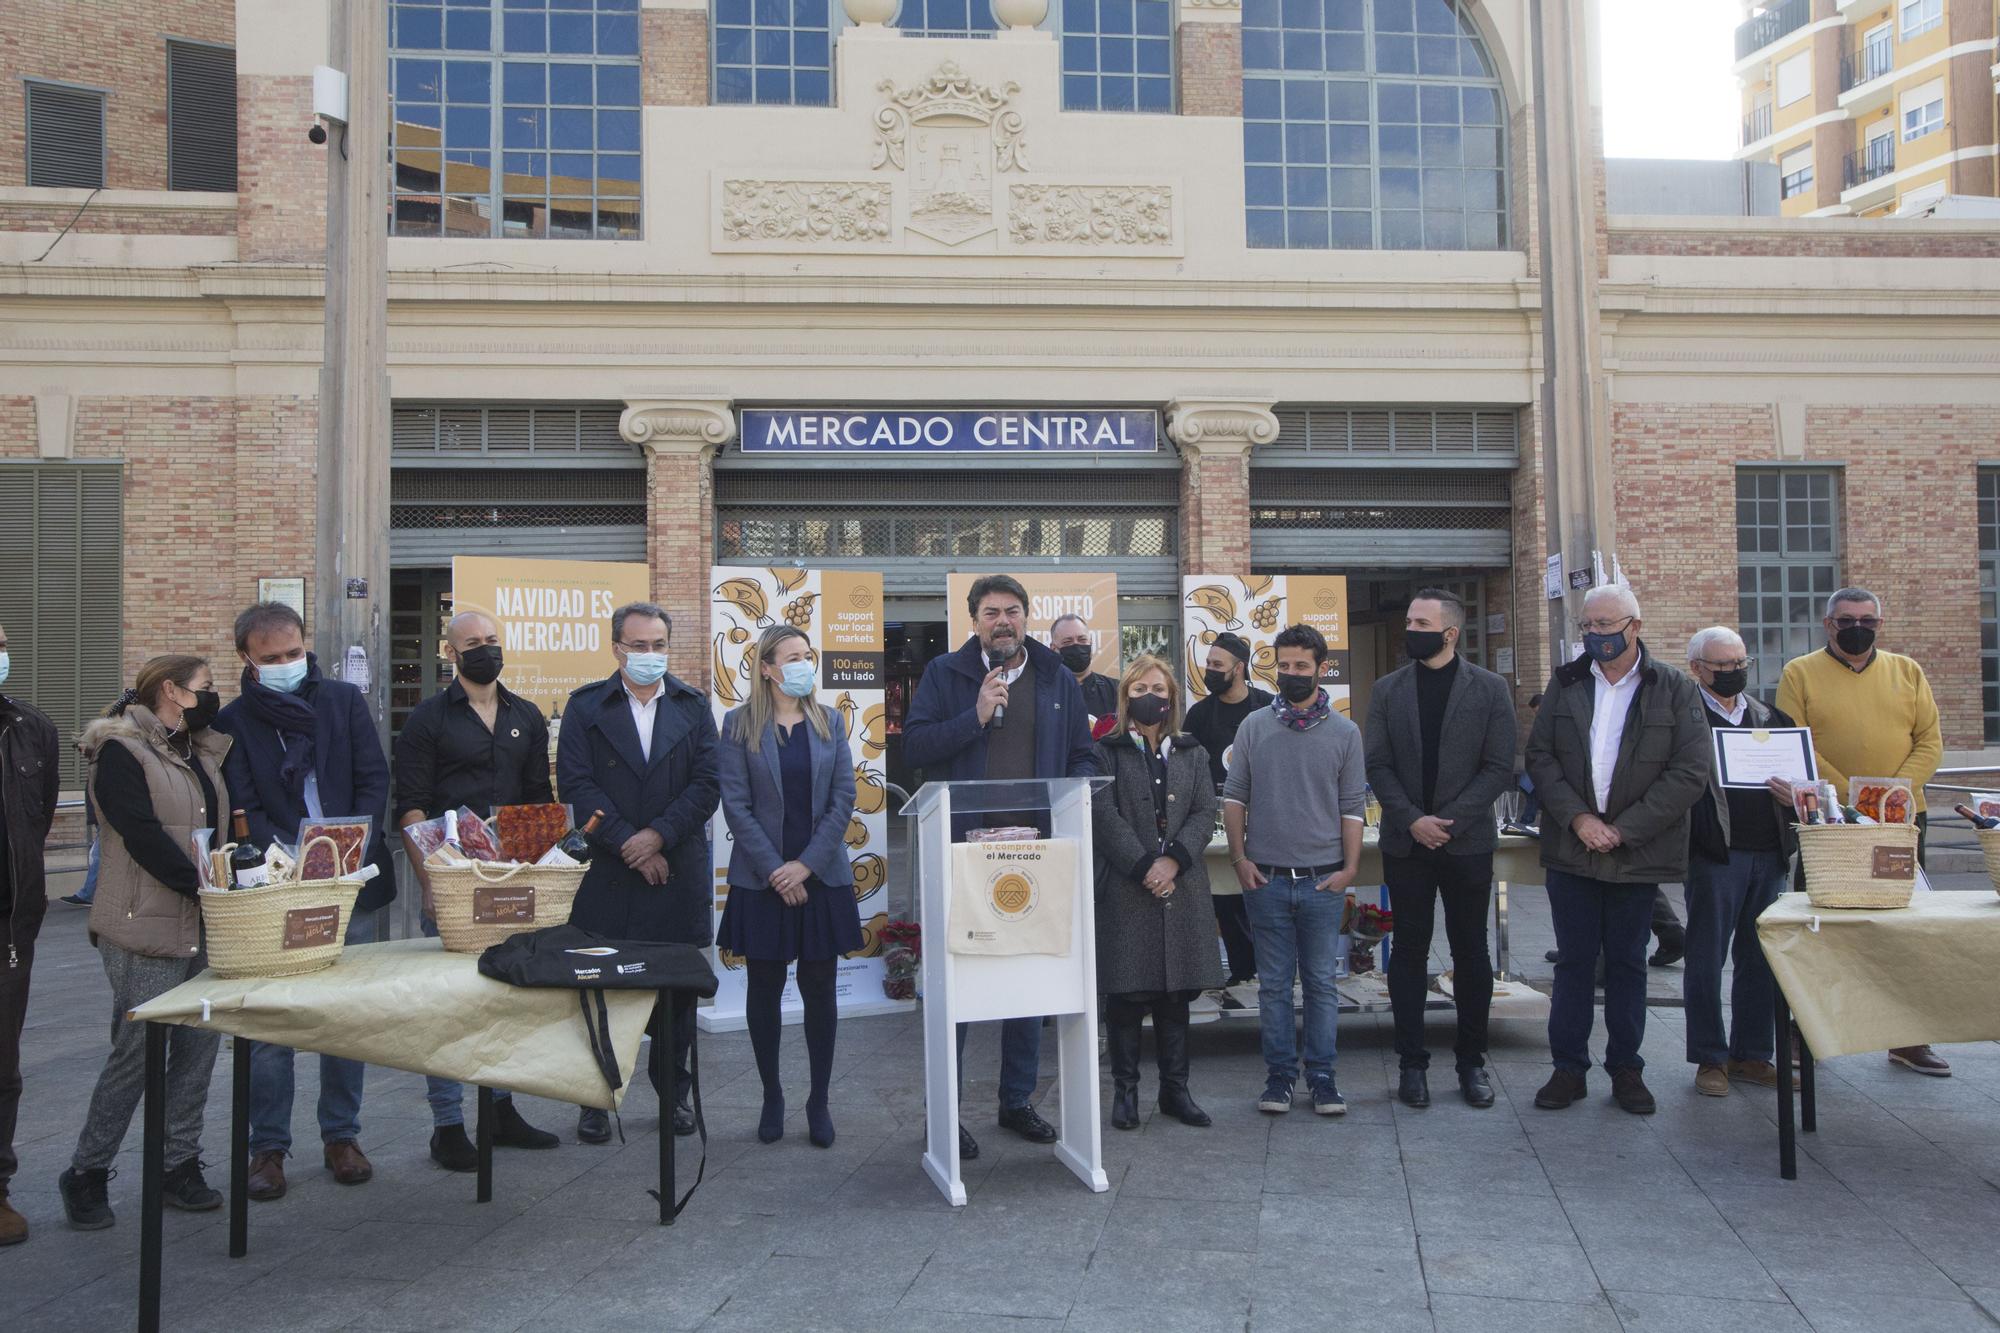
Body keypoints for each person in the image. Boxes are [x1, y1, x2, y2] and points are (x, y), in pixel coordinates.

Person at [903, 574, 1097, 1161]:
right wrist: (977, 715)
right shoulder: (946, 675)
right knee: (962, 984)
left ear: (1027, 616)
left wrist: (1080, 796)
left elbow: (1082, 754)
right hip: (964, 855)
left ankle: (1016, 1101)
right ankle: (949, 1112)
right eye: (992, 613)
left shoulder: (1056, 677)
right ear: (974, 621)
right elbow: (915, 747)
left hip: (1037, 855)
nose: (1004, 621)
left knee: (1027, 984)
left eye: (1013, 611)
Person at [215, 602, 396, 1200]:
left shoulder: (342, 702)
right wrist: (294, 860)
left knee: (347, 1015)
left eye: (293, 653)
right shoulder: (236, 721)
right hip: (278, 883)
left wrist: (347, 847)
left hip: (354, 880)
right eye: (272, 659)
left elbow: (374, 777)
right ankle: (268, 1149)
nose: (287, 665)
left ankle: (342, 1136)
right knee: (273, 1023)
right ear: (246, 658)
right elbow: (244, 802)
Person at [1524, 584, 1709, 1116]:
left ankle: (1626, 1068)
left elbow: (1690, 772)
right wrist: (1579, 818)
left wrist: (1623, 830)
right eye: (1589, 627)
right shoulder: (1567, 683)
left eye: (1607, 626)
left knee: (1629, 963)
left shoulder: (1673, 687)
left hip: (1637, 852)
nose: (1597, 636)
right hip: (1572, 847)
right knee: (1575, 963)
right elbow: (1541, 757)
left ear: (1635, 626)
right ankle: (1567, 1069)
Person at [59, 657, 230, 1230]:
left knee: (199, 1048)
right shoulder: (121, 752)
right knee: (136, 1052)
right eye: (205, 688)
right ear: (171, 691)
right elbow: (141, 834)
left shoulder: (199, 748)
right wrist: (202, 885)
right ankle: (87, 1171)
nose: (214, 697)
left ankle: (177, 1165)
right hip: (144, 924)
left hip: (205, 923)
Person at [394, 610, 561, 1168]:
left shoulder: (527, 716)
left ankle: (501, 1110)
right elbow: (412, 806)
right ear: (451, 652)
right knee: (448, 1005)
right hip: (454, 880)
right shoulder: (427, 719)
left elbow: (539, 800)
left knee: (504, 997)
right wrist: (432, 885)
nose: (485, 650)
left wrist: (539, 875)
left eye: (491, 641)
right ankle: (447, 1125)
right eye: (473, 643)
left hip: (511, 880)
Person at [557, 602, 720, 1144]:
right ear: (616, 648)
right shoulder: (585, 707)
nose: (649, 655)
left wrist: (657, 838)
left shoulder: (694, 706)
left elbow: (707, 783)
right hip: (610, 872)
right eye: (638, 645)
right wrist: (630, 840)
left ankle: (675, 1096)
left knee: (674, 996)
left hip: (674, 869)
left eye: (658, 645)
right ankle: (595, 1099)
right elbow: (577, 786)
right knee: (601, 992)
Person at [1776, 586, 1949, 1077]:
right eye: (1847, 619)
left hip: (1902, 821)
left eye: (1868, 621)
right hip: (1830, 822)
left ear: (1880, 625)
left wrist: (1890, 795)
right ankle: (1803, 1028)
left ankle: (1906, 1034)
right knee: (1819, 924)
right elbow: (1798, 741)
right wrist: (1853, 800)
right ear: (1828, 624)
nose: (1858, 628)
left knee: (1903, 924)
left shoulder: (1907, 671)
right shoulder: (1799, 673)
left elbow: (1929, 740)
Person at [1363, 588, 1516, 1110]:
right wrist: (1413, 820)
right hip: (1407, 844)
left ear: (1449, 633)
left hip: (1466, 843)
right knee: (1407, 951)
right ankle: (1412, 1063)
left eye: (1420, 622)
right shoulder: (1388, 690)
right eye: (1408, 619)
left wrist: (1448, 822)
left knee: (1470, 952)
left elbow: (1499, 766)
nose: (1410, 629)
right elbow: (1377, 764)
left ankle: (1472, 1062)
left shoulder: (1490, 689)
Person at [716, 625, 862, 1149]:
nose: (804, 664)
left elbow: (843, 799)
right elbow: (736, 804)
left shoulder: (830, 721)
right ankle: (772, 1094)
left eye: (808, 655)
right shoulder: (738, 725)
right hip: (762, 881)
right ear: (768, 668)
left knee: (820, 989)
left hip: (821, 878)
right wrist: (778, 869)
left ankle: (818, 1099)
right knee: (765, 989)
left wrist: (804, 866)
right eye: (793, 657)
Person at [1222, 622, 1365, 1118]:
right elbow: (1234, 797)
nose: (1292, 674)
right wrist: (1239, 860)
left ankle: (1323, 1079)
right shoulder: (1254, 727)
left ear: (1321, 669)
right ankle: (1279, 1078)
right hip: (1267, 878)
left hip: (1324, 880)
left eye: (1301, 666)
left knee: (1323, 984)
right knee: (1274, 985)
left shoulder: (1346, 733)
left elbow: (1352, 807)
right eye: (1284, 666)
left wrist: (1350, 869)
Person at [1091, 655, 1222, 1131]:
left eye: (1160, 689)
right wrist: (1146, 865)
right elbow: (1102, 815)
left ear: (1172, 698)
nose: (1153, 695)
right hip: (1128, 888)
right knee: (1126, 996)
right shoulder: (1105, 751)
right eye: (1142, 687)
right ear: (1127, 696)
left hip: (1181, 887)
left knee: (1175, 997)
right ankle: (1125, 1093)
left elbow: (1206, 811)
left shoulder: (1192, 751)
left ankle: (1175, 1092)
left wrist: (1175, 861)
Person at [1683, 627, 1797, 1097]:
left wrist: (1796, 795)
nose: (1732, 673)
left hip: (1769, 853)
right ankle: (1710, 1058)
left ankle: (1752, 1054)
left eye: (1739, 664)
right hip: (1714, 854)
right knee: (1707, 957)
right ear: (1697, 669)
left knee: (1761, 958)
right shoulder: (1684, 718)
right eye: (1721, 665)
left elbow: (1802, 781)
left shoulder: (1772, 718)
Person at [0, 622, 59, 1245]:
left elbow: (36, 818)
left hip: (9, 922)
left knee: (3, 1061)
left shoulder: (31, 730)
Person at [1183, 631, 1271, 991]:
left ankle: (1271, 975)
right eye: (1207, 664)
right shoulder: (1199, 714)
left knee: (1264, 901)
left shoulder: (1268, 707)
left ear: (1238, 669)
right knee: (1227, 901)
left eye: (1217, 665)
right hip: (1217, 824)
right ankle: (1240, 974)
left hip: (1265, 820)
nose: (1209, 671)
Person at [1050, 613, 1119, 729]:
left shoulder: (1116, 690)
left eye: (1082, 640)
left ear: (1091, 642)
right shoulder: (1042, 691)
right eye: (1067, 642)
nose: (1076, 646)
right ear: (1053, 648)